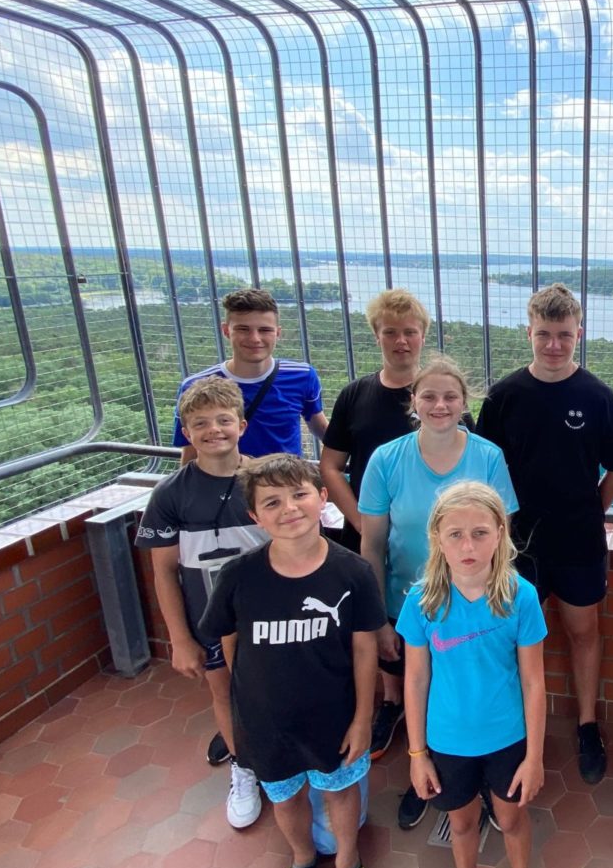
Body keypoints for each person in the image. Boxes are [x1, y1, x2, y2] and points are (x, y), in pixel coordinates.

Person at [198, 455, 380, 868]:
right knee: (286, 796)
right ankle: (301, 861)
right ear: (254, 515)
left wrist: (362, 718)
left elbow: (365, 649)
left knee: (340, 790)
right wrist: (247, 707)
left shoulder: (353, 572)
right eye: (272, 502)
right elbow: (230, 643)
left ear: (322, 497)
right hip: (268, 722)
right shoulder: (239, 576)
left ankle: (348, 864)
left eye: (299, 494)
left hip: (334, 717)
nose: (289, 509)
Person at [475, 283, 613, 785]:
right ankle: (513, 728)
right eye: (544, 334)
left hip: (577, 541)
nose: (554, 345)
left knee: (583, 632)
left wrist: (594, 508)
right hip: (515, 542)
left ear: (579, 335)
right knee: (510, 636)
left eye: (564, 335)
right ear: (528, 332)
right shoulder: (504, 396)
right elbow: (485, 467)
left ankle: (587, 725)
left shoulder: (596, 396)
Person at [359, 356, 517, 831]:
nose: (440, 405)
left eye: (450, 396)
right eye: (429, 396)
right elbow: (372, 544)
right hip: (411, 606)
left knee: (467, 690)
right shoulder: (387, 459)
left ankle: (483, 783)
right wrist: (378, 618)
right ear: (413, 402)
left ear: (464, 402)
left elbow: (502, 536)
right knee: (421, 690)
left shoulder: (487, 457)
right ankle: (425, 773)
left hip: (477, 605)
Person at [398, 482, 546, 868]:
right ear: (436, 539)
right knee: (461, 823)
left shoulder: (520, 596)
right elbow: (415, 679)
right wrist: (417, 754)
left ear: (500, 533)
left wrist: (535, 757)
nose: (468, 547)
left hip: (507, 739)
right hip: (446, 742)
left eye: (480, 533)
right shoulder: (421, 601)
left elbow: (534, 682)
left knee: (512, 819)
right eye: (455, 534)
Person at [135, 377, 269, 829]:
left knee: (279, 687)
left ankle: (288, 763)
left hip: (271, 614)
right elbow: (164, 571)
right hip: (210, 617)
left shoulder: (267, 479)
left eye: (223, 420)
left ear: (242, 425)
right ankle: (244, 767)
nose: (214, 430)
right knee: (224, 691)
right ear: (187, 432)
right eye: (200, 423)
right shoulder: (171, 494)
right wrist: (179, 639)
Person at [321, 289, 439, 759]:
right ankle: (392, 703)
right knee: (381, 618)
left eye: (410, 332)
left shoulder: (438, 397)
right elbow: (331, 466)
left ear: (423, 335)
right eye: (391, 332)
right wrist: (363, 521)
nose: (402, 341)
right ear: (377, 336)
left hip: (426, 538)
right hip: (367, 533)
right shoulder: (356, 396)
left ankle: (428, 710)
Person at [173, 288, 327, 463]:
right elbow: (191, 453)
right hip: (226, 479)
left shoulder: (302, 376)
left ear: (278, 333)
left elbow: (320, 427)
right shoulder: (195, 387)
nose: (255, 338)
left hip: (284, 478)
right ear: (226, 330)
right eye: (243, 329)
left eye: (264, 330)